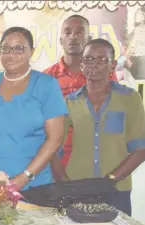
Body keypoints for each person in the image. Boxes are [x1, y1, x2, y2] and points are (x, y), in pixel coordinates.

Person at [0, 27, 66, 190]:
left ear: (31, 51)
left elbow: (55, 138)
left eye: (19, 48)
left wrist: (25, 177)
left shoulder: (47, 85)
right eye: (5, 48)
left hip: (34, 185)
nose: (11, 54)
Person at [51, 39, 145, 216]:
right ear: (81, 64)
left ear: (112, 65)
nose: (93, 64)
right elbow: (54, 147)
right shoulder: (70, 102)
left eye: (101, 59)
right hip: (77, 188)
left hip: (117, 190)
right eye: (88, 59)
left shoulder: (130, 98)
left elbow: (140, 149)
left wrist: (110, 179)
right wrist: (64, 182)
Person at [43, 15, 118, 169]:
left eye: (79, 32)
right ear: (60, 40)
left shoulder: (105, 74)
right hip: (56, 164)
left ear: (88, 38)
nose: (73, 37)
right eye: (68, 32)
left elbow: (114, 119)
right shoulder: (46, 77)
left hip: (97, 164)